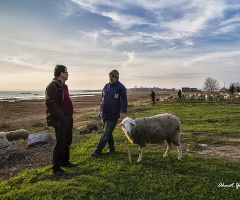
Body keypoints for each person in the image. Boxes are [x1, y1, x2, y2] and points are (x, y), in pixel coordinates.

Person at [45, 64, 78, 176]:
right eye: (66, 72)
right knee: (60, 142)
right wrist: (61, 115)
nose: (68, 74)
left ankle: (65, 161)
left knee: (67, 141)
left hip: (68, 117)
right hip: (61, 118)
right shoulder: (52, 86)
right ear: (61, 74)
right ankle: (56, 167)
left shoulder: (64, 86)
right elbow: (49, 103)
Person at [91, 69, 128, 157]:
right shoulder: (106, 86)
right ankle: (111, 148)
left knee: (106, 133)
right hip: (104, 113)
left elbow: (124, 100)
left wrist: (123, 112)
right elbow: (102, 99)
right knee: (108, 132)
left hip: (113, 114)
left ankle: (97, 151)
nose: (111, 78)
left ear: (117, 77)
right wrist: (100, 111)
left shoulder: (121, 87)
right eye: (110, 76)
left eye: (113, 77)